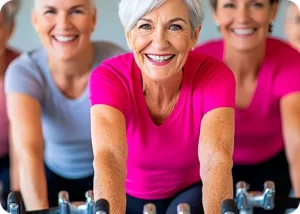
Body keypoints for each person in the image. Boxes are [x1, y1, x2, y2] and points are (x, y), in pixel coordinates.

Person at [89, 0, 237, 213]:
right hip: (127, 195)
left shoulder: (215, 76)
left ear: (194, 35)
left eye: (175, 27)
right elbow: (109, 158)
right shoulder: (109, 78)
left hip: (190, 192)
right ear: (129, 34)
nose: (159, 42)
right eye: (145, 26)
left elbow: (216, 160)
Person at [5, 0, 125, 210]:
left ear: (93, 19)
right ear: (35, 20)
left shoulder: (116, 62)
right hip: (51, 175)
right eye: (50, 12)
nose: (63, 24)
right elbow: (28, 151)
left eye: (76, 11)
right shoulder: (24, 72)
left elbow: (118, 152)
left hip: (111, 172)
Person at [195, 0, 300, 213]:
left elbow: (298, 145)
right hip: (209, 165)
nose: (242, 17)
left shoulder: (289, 60)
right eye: (230, 5)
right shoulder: (197, 64)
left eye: (256, 5)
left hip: (271, 167)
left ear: (273, 10)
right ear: (215, 13)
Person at [0, 0, 20, 203]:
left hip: (10, 159)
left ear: (10, 28)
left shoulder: (21, 70)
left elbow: (21, 143)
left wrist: (16, 194)